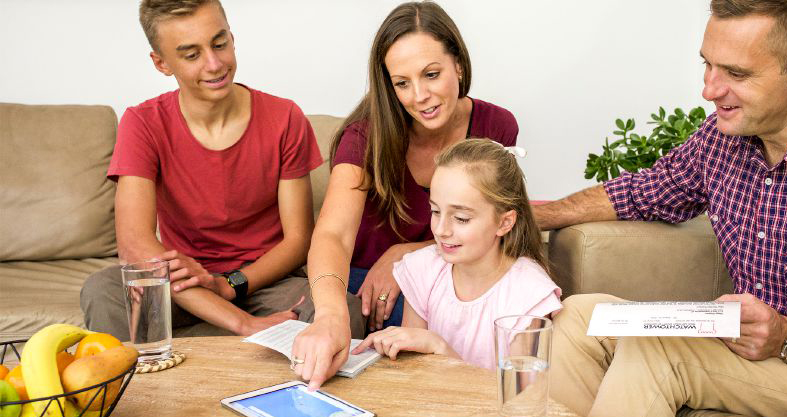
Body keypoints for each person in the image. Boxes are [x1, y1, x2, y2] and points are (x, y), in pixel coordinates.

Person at [533, 0, 787, 417]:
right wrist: (530, 215)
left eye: (736, 74)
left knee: (661, 351)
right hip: (758, 360)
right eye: (708, 65)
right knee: (581, 318)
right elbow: (642, 191)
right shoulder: (724, 139)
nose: (709, 90)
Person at [81, 0, 363, 339]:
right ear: (161, 63)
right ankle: (205, 354)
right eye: (191, 55)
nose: (214, 64)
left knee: (340, 309)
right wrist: (240, 322)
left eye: (219, 43)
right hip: (184, 287)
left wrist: (229, 287)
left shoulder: (285, 118)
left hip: (265, 283)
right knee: (104, 290)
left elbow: (299, 240)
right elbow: (136, 246)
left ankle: (226, 347)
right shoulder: (142, 123)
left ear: (232, 37)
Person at [291, 1, 519, 390]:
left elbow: (495, 225)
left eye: (432, 74)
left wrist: (408, 254)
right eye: (402, 83)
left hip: (453, 276)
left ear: (459, 65)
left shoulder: (496, 125)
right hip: (365, 285)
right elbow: (333, 235)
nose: (420, 96)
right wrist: (330, 314)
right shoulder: (364, 137)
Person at [349, 139, 562, 369]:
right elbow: (413, 373)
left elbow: (518, 396)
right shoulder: (423, 269)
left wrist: (440, 348)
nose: (441, 230)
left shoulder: (528, 294)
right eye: (435, 211)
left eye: (461, 218)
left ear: (504, 222)